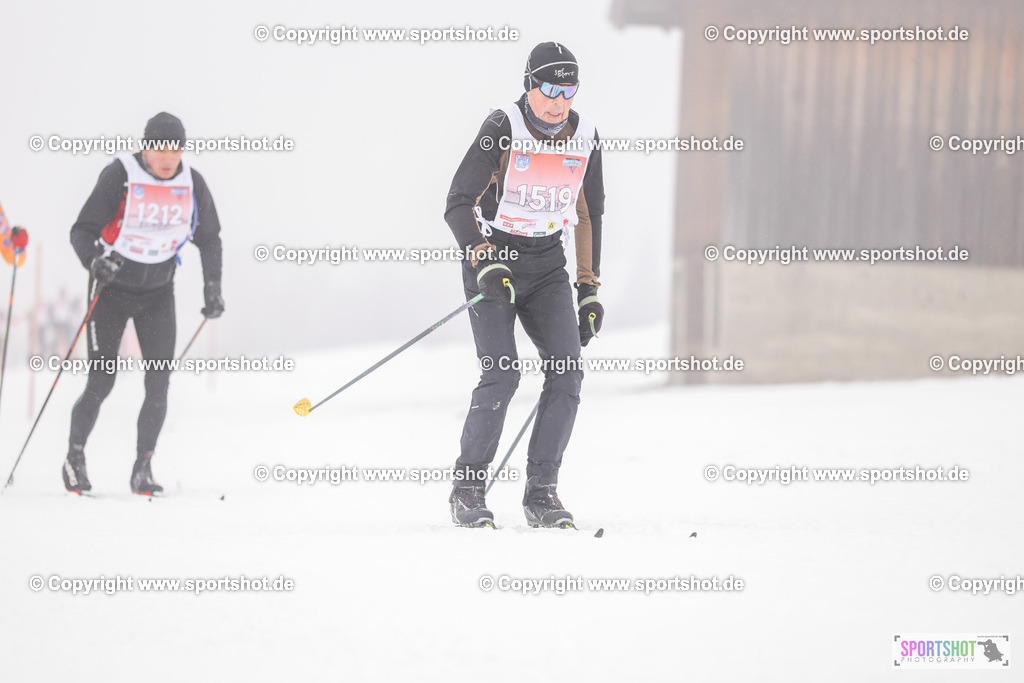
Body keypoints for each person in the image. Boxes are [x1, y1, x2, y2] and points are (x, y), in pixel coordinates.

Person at [444, 42, 606, 527]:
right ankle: (468, 490)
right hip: (493, 259)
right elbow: (457, 203)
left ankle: (542, 493)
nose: (558, 101)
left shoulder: (586, 137)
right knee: (502, 373)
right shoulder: (503, 128)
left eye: (568, 91)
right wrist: (482, 257)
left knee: (567, 372)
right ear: (529, 85)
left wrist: (589, 288)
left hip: (546, 266)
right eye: (549, 89)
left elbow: (588, 213)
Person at [63, 112, 224, 495]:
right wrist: (93, 261)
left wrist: (212, 288)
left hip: (157, 294)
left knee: (158, 382)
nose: (168, 156)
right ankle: (75, 457)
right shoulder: (120, 175)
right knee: (102, 381)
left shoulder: (191, 183)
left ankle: (143, 467)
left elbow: (211, 238)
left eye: (176, 147)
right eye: (159, 147)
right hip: (111, 292)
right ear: (145, 146)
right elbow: (81, 230)